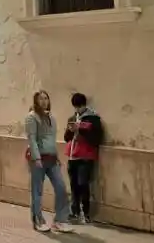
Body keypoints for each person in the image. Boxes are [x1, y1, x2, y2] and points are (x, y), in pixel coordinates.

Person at [25, 90, 72, 233]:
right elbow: (32, 138)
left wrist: (56, 156)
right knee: (37, 191)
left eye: (46, 98)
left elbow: (51, 139)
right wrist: (36, 157)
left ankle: (60, 220)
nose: (44, 101)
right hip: (38, 159)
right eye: (41, 99)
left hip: (51, 158)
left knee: (61, 188)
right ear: (36, 101)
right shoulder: (31, 117)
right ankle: (38, 220)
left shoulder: (51, 117)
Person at [64, 93, 103, 224]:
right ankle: (74, 211)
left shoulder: (93, 118)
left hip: (86, 156)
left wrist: (81, 128)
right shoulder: (72, 117)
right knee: (74, 185)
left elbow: (97, 138)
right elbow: (66, 138)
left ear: (84, 105)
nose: (77, 109)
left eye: (79, 106)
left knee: (83, 184)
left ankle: (85, 213)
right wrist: (70, 130)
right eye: (75, 107)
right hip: (72, 156)